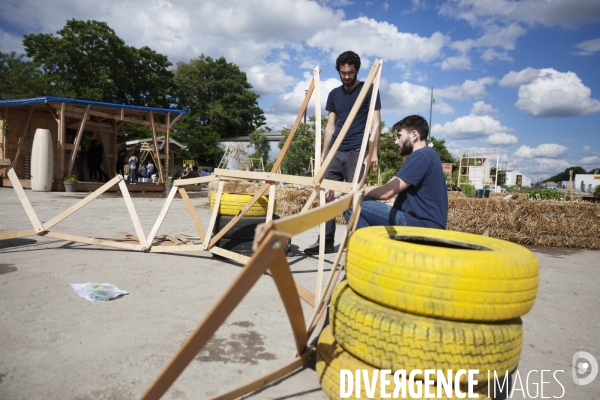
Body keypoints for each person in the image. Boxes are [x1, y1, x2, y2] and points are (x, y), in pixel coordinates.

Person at [304, 50, 382, 255]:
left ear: (357, 70)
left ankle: (357, 241)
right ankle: (326, 242)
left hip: (357, 150)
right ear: (339, 71)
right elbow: (330, 126)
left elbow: (375, 122)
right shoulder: (334, 95)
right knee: (327, 196)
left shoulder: (369, 89)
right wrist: (323, 154)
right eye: (343, 72)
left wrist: (373, 151)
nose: (347, 76)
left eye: (350, 72)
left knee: (354, 197)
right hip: (335, 152)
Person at [342, 115, 448, 230]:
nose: (396, 141)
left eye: (399, 136)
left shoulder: (422, 155)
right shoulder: (427, 155)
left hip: (423, 226)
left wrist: (351, 190)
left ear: (414, 135)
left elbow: (386, 192)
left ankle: (370, 247)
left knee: (352, 204)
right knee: (360, 200)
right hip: (422, 222)